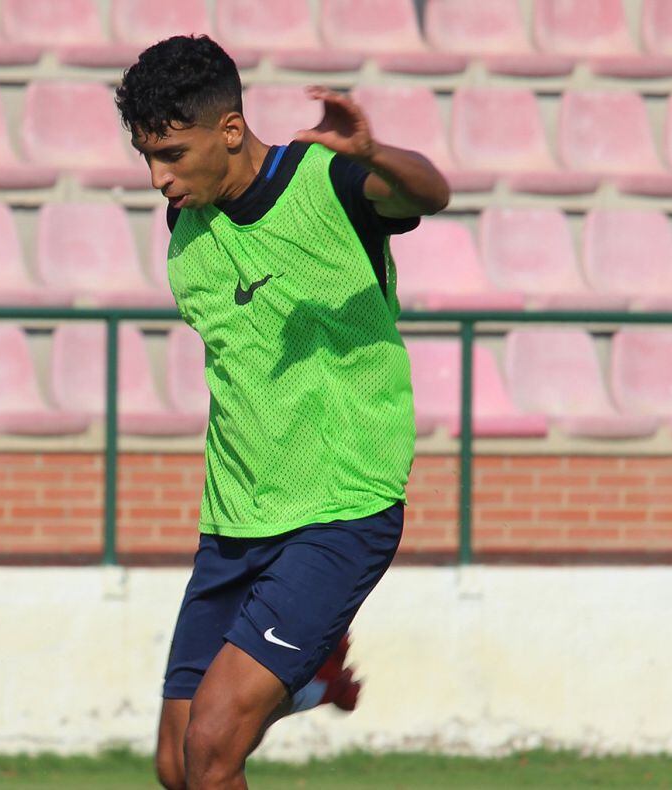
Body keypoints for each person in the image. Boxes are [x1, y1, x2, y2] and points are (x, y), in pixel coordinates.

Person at [115, 35, 449, 790]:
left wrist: (378, 153)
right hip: (234, 518)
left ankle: (301, 669)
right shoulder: (188, 228)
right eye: (147, 157)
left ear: (230, 130)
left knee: (213, 752)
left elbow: (430, 194)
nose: (159, 178)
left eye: (172, 152)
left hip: (338, 507)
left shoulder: (329, 184)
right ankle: (308, 676)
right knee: (176, 765)